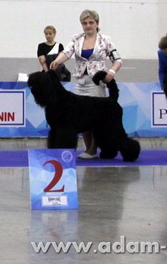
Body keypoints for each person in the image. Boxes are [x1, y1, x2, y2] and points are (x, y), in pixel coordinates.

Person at [49, 9, 122, 159]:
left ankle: (93, 150)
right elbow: (67, 53)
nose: (88, 26)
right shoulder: (76, 39)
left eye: (91, 22)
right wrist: (56, 61)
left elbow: (117, 60)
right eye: (84, 23)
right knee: (81, 117)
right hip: (80, 81)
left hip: (97, 82)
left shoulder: (105, 40)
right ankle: (88, 148)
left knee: (96, 117)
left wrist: (111, 72)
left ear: (97, 23)